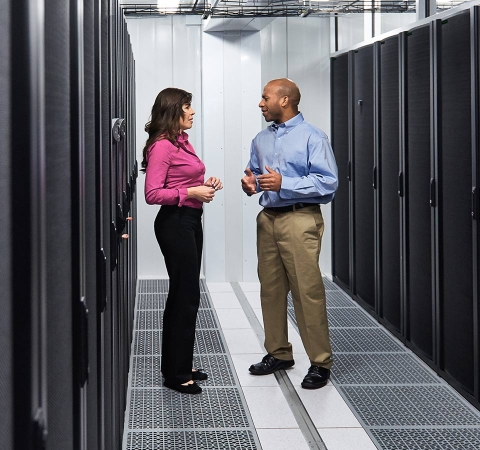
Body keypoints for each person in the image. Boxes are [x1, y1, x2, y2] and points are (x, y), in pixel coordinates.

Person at [240, 78, 338, 389]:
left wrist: (286, 184)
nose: (260, 103)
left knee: (306, 292)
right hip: (268, 219)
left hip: (300, 219)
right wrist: (251, 183)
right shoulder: (260, 138)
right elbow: (254, 172)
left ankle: (320, 362)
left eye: (265, 97)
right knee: (270, 290)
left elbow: (328, 184)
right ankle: (279, 352)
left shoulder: (313, 137)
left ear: (284, 100)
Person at [143, 87, 223, 395]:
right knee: (184, 296)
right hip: (174, 223)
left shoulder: (181, 142)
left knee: (185, 294)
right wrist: (190, 192)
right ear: (174, 110)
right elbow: (153, 194)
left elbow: (182, 180)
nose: (192, 112)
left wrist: (204, 184)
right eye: (187, 106)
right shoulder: (162, 147)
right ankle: (176, 375)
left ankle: (180, 364)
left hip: (189, 221)